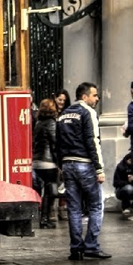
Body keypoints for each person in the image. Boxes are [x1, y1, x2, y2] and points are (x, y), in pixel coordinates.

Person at [56, 82, 109, 260]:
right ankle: (92, 246)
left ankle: (76, 248)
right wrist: (99, 168)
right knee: (95, 206)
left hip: (68, 165)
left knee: (74, 208)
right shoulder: (88, 113)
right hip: (85, 164)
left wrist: (61, 164)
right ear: (84, 97)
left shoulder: (63, 114)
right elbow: (93, 141)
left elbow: (58, 142)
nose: (97, 99)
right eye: (94, 95)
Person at [32, 99, 60, 229]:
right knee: (50, 191)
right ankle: (45, 219)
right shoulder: (51, 123)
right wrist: (59, 162)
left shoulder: (38, 123)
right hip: (48, 162)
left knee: (42, 191)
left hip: (37, 161)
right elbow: (54, 143)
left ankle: (40, 217)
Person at [53, 89, 72, 223]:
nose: (61, 102)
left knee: (64, 183)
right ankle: (52, 210)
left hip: (63, 151)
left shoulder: (66, 115)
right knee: (54, 183)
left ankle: (62, 208)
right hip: (53, 152)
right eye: (60, 99)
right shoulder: (50, 114)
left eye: (64, 101)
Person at [113, 153, 133, 218]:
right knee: (129, 188)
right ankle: (126, 206)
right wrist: (126, 181)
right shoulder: (120, 167)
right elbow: (115, 183)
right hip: (122, 189)